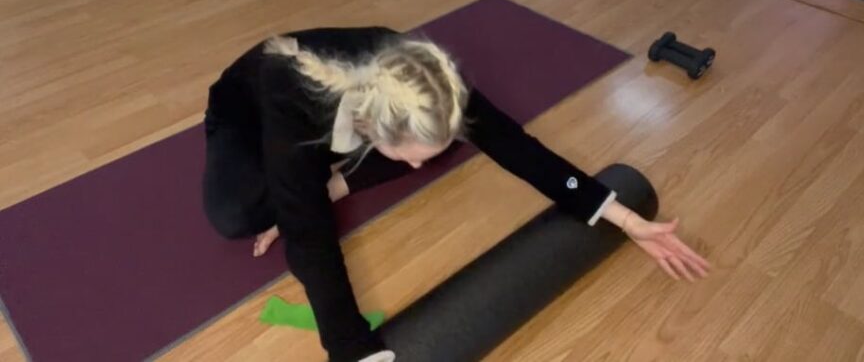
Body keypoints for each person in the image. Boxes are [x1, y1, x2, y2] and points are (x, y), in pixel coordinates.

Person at [202, 26, 710, 362]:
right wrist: (357, 352)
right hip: (245, 116)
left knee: (444, 143)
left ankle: (338, 174)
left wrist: (623, 217)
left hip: (351, 126)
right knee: (235, 213)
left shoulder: (433, 86)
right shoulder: (288, 102)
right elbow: (311, 241)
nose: (420, 168)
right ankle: (324, 172)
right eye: (410, 155)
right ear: (375, 129)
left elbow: (518, 147)